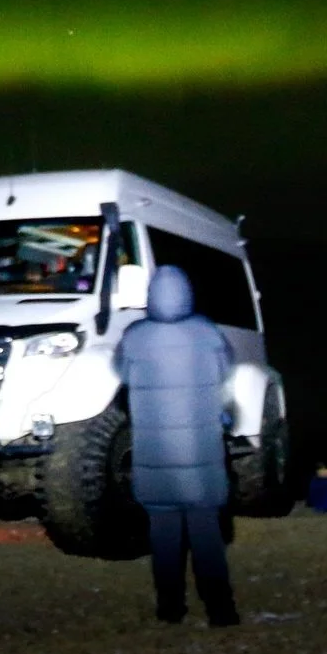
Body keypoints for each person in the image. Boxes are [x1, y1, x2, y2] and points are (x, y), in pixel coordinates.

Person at [117, 264, 240, 626]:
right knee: (207, 539)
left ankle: (170, 609)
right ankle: (221, 610)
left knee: (164, 541)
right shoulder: (206, 332)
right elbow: (227, 370)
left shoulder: (134, 336)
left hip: (155, 460)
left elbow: (120, 375)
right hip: (201, 459)